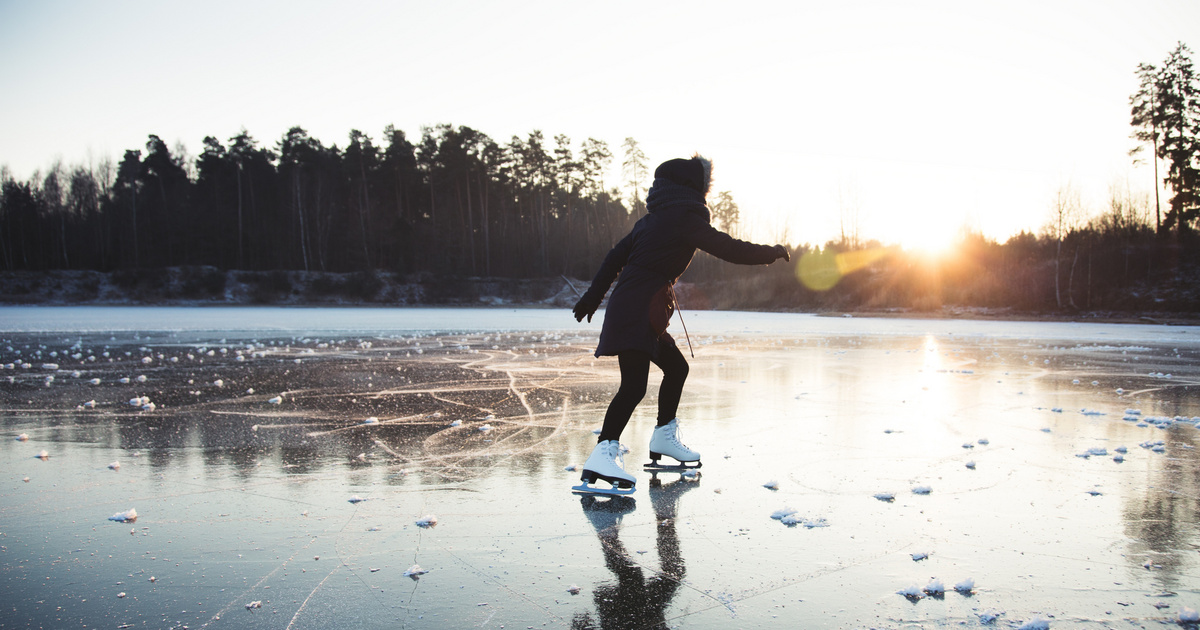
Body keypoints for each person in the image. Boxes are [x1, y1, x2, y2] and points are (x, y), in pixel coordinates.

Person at [571, 154, 790, 493]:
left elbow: (615, 257)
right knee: (634, 386)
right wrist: (770, 251)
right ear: (693, 188)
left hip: (637, 306)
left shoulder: (652, 220)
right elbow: (727, 248)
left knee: (676, 368)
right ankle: (603, 453)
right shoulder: (683, 218)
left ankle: (662, 438)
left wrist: (593, 297)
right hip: (638, 308)